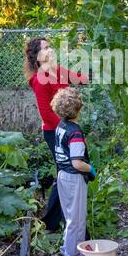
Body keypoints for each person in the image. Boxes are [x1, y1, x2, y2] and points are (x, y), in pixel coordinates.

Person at [24, 37, 89, 232]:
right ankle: (63, 223)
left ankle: (52, 222)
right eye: (45, 48)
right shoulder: (39, 80)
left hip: (66, 128)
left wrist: (93, 72)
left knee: (65, 172)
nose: (50, 50)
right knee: (68, 171)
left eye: (50, 46)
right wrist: (67, 128)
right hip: (55, 132)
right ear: (37, 57)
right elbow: (46, 113)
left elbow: (80, 78)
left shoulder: (57, 71)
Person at [51, 87, 96, 256]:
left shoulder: (61, 126)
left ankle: (69, 253)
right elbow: (77, 163)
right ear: (79, 109)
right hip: (73, 177)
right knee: (75, 220)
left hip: (62, 175)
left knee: (73, 218)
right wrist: (91, 168)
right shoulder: (75, 133)